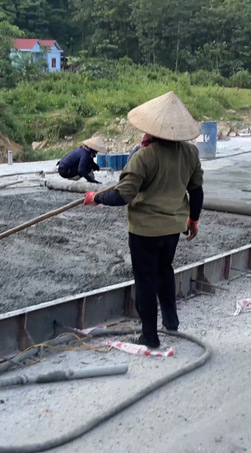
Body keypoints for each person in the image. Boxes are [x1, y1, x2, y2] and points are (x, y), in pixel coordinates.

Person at [83, 92, 204, 349]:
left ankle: (150, 335)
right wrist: (193, 219)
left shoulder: (144, 157)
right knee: (164, 270)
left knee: (145, 279)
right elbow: (196, 191)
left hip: (145, 231)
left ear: (151, 129)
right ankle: (171, 322)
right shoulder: (190, 154)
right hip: (173, 227)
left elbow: (123, 195)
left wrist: (96, 198)